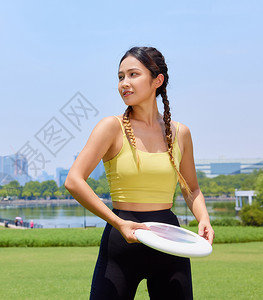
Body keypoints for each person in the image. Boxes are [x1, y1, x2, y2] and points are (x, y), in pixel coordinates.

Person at [64, 46, 214, 300]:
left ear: (157, 80)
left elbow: (192, 188)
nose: (124, 83)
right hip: (122, 239)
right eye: (120, 77)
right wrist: (118, 222)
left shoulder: (181, 133)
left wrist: (204, 218)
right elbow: (73, 181)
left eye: (133, 75)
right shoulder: (110, 127)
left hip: (170, 241)